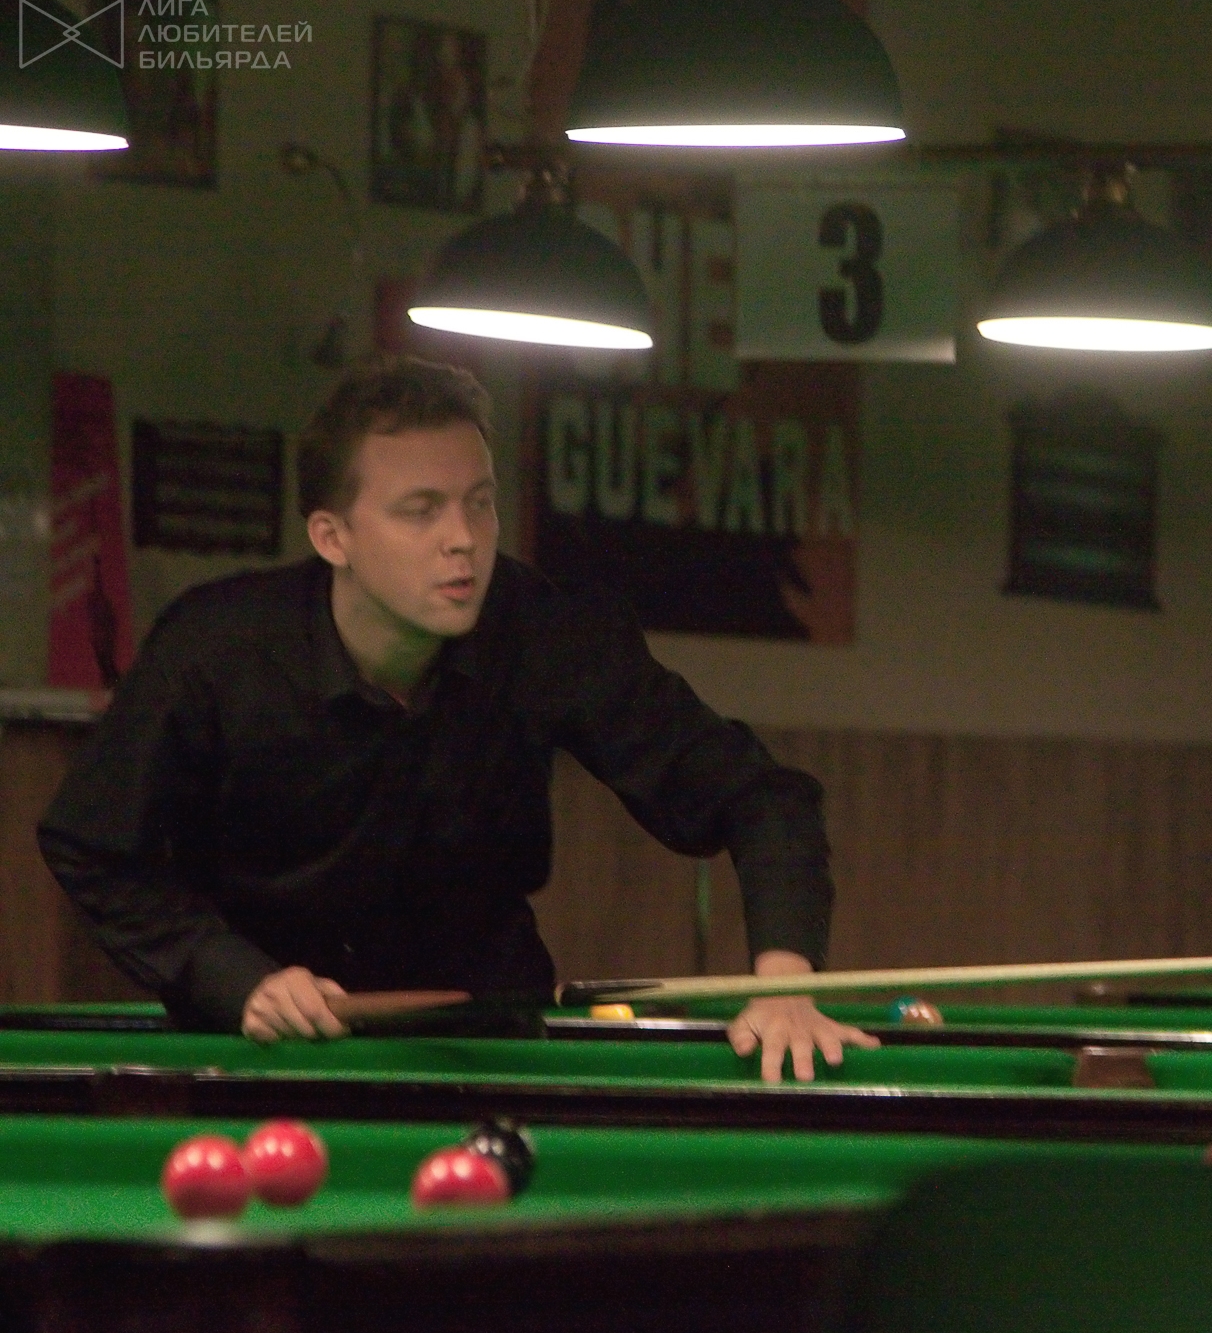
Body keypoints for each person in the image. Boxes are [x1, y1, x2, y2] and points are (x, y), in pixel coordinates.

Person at [38, 355, 877, 1083]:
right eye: (421, 509)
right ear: (332, 536)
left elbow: (761, 796)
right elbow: (91, 842)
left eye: (480, 502)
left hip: (491, 1056)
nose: (464, 539)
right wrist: (234, 977)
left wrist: (784, 983)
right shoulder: (215, 650)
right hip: (262, 1059)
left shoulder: (547, 632)